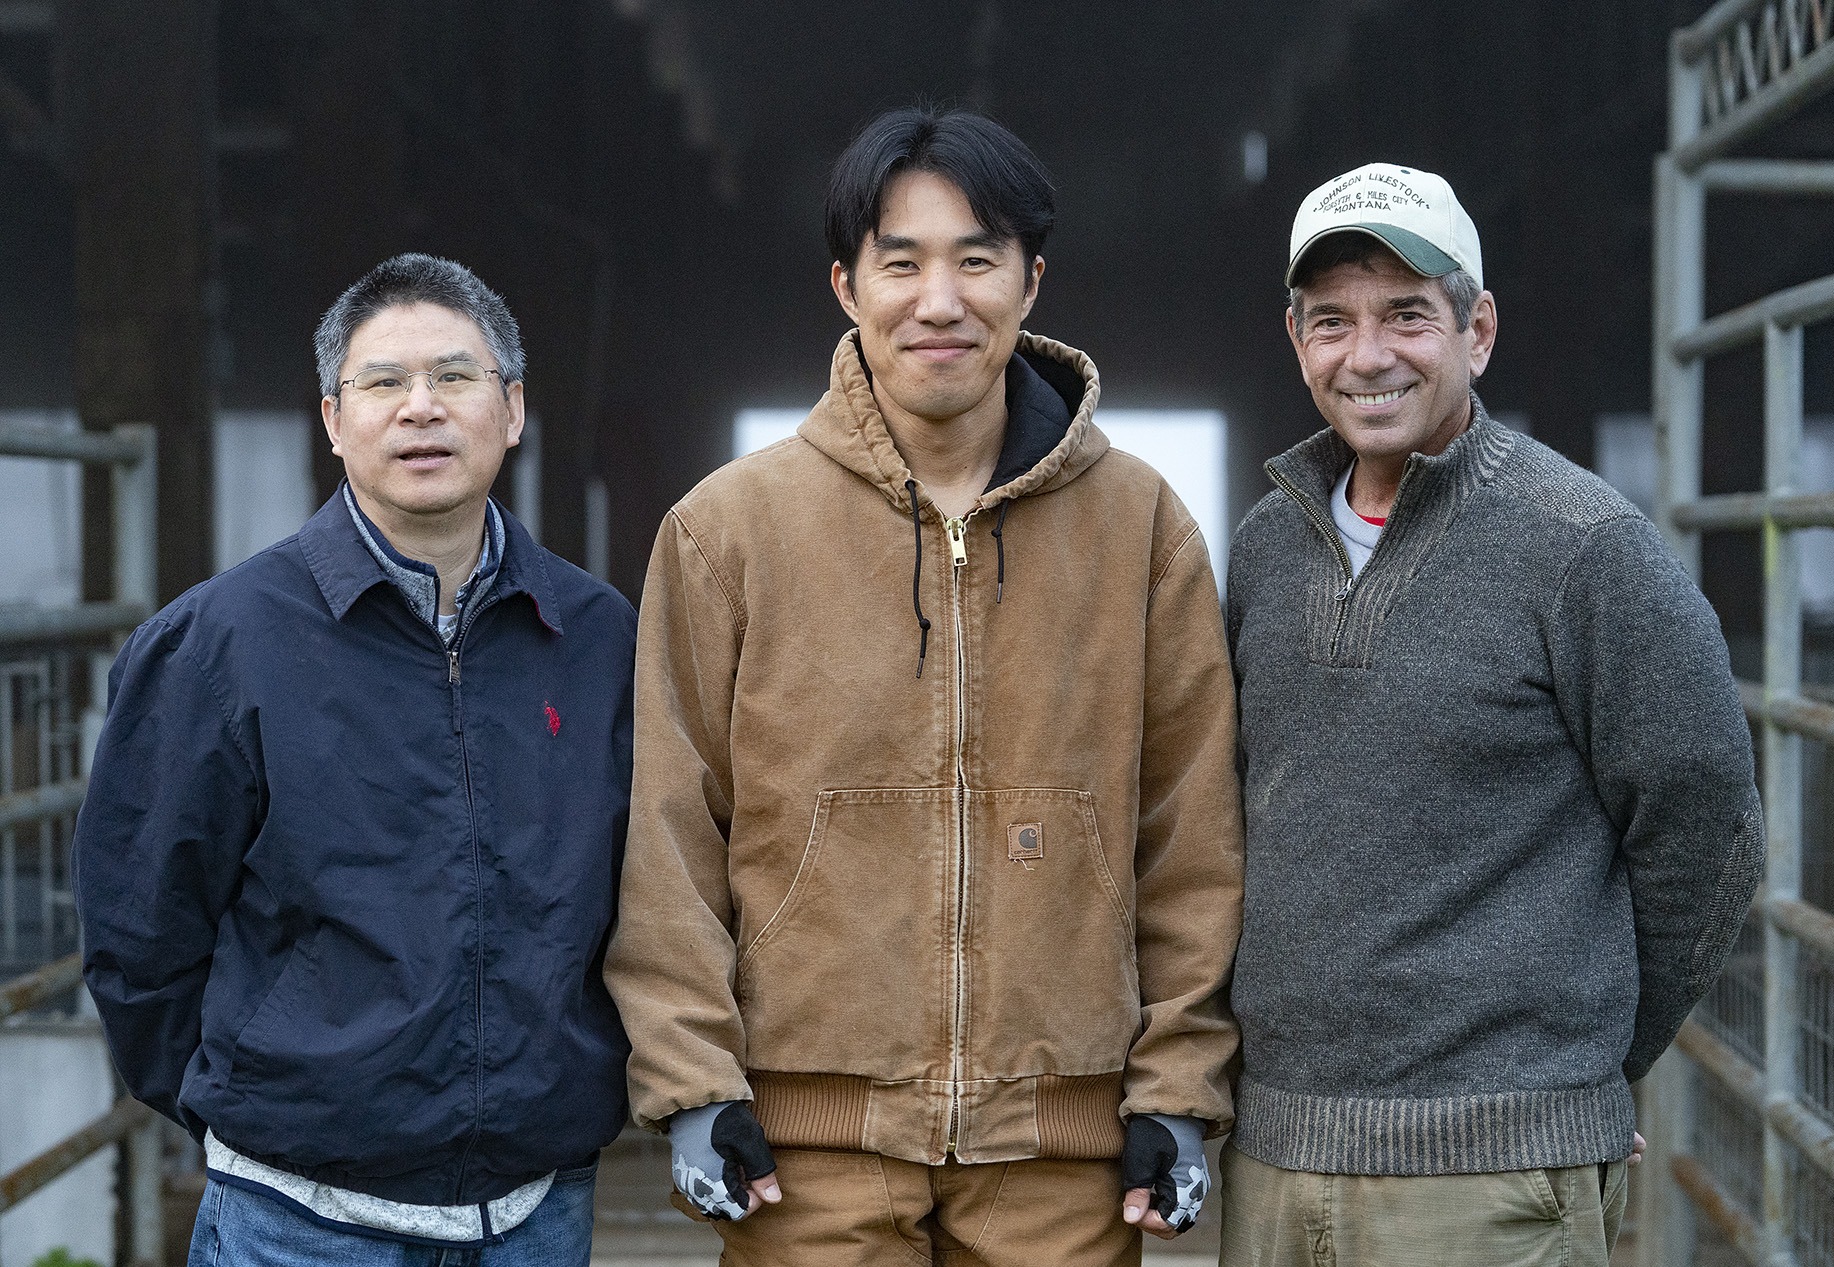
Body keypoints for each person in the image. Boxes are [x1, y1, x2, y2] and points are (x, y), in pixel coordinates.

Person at [608, 106, 1244, 1266]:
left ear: (1031, 281)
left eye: (976, 259)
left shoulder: (1140, 527)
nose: (938, 301)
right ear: (846, 286)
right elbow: (667, 832)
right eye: (900, 263)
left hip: (1061, 1153)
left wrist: (1179, 1082)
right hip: (805, 1161)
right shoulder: (728, 530)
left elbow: (1189, 834)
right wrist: (692, 1076)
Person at [1220, 162, 1764, 1266]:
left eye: (1406, 315)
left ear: (1477, 330)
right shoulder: (1263, 549)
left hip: (1491, 1177)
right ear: (1296, 341)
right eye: (1332, 320)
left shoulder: (1583, 547)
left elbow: (1707, 827)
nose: (1366, 354)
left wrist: (1581, 1065)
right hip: (1276, 1158)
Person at [73, 253, 637, 1264]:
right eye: (383, 382)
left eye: (455, 376)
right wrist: (263, 1111)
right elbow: (138, 933)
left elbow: (647, 892)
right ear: (335, 422)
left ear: (511, 409)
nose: (420, 408)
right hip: (298, 1222)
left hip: (534, 1214)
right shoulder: (220, 640)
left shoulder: (594, 636)